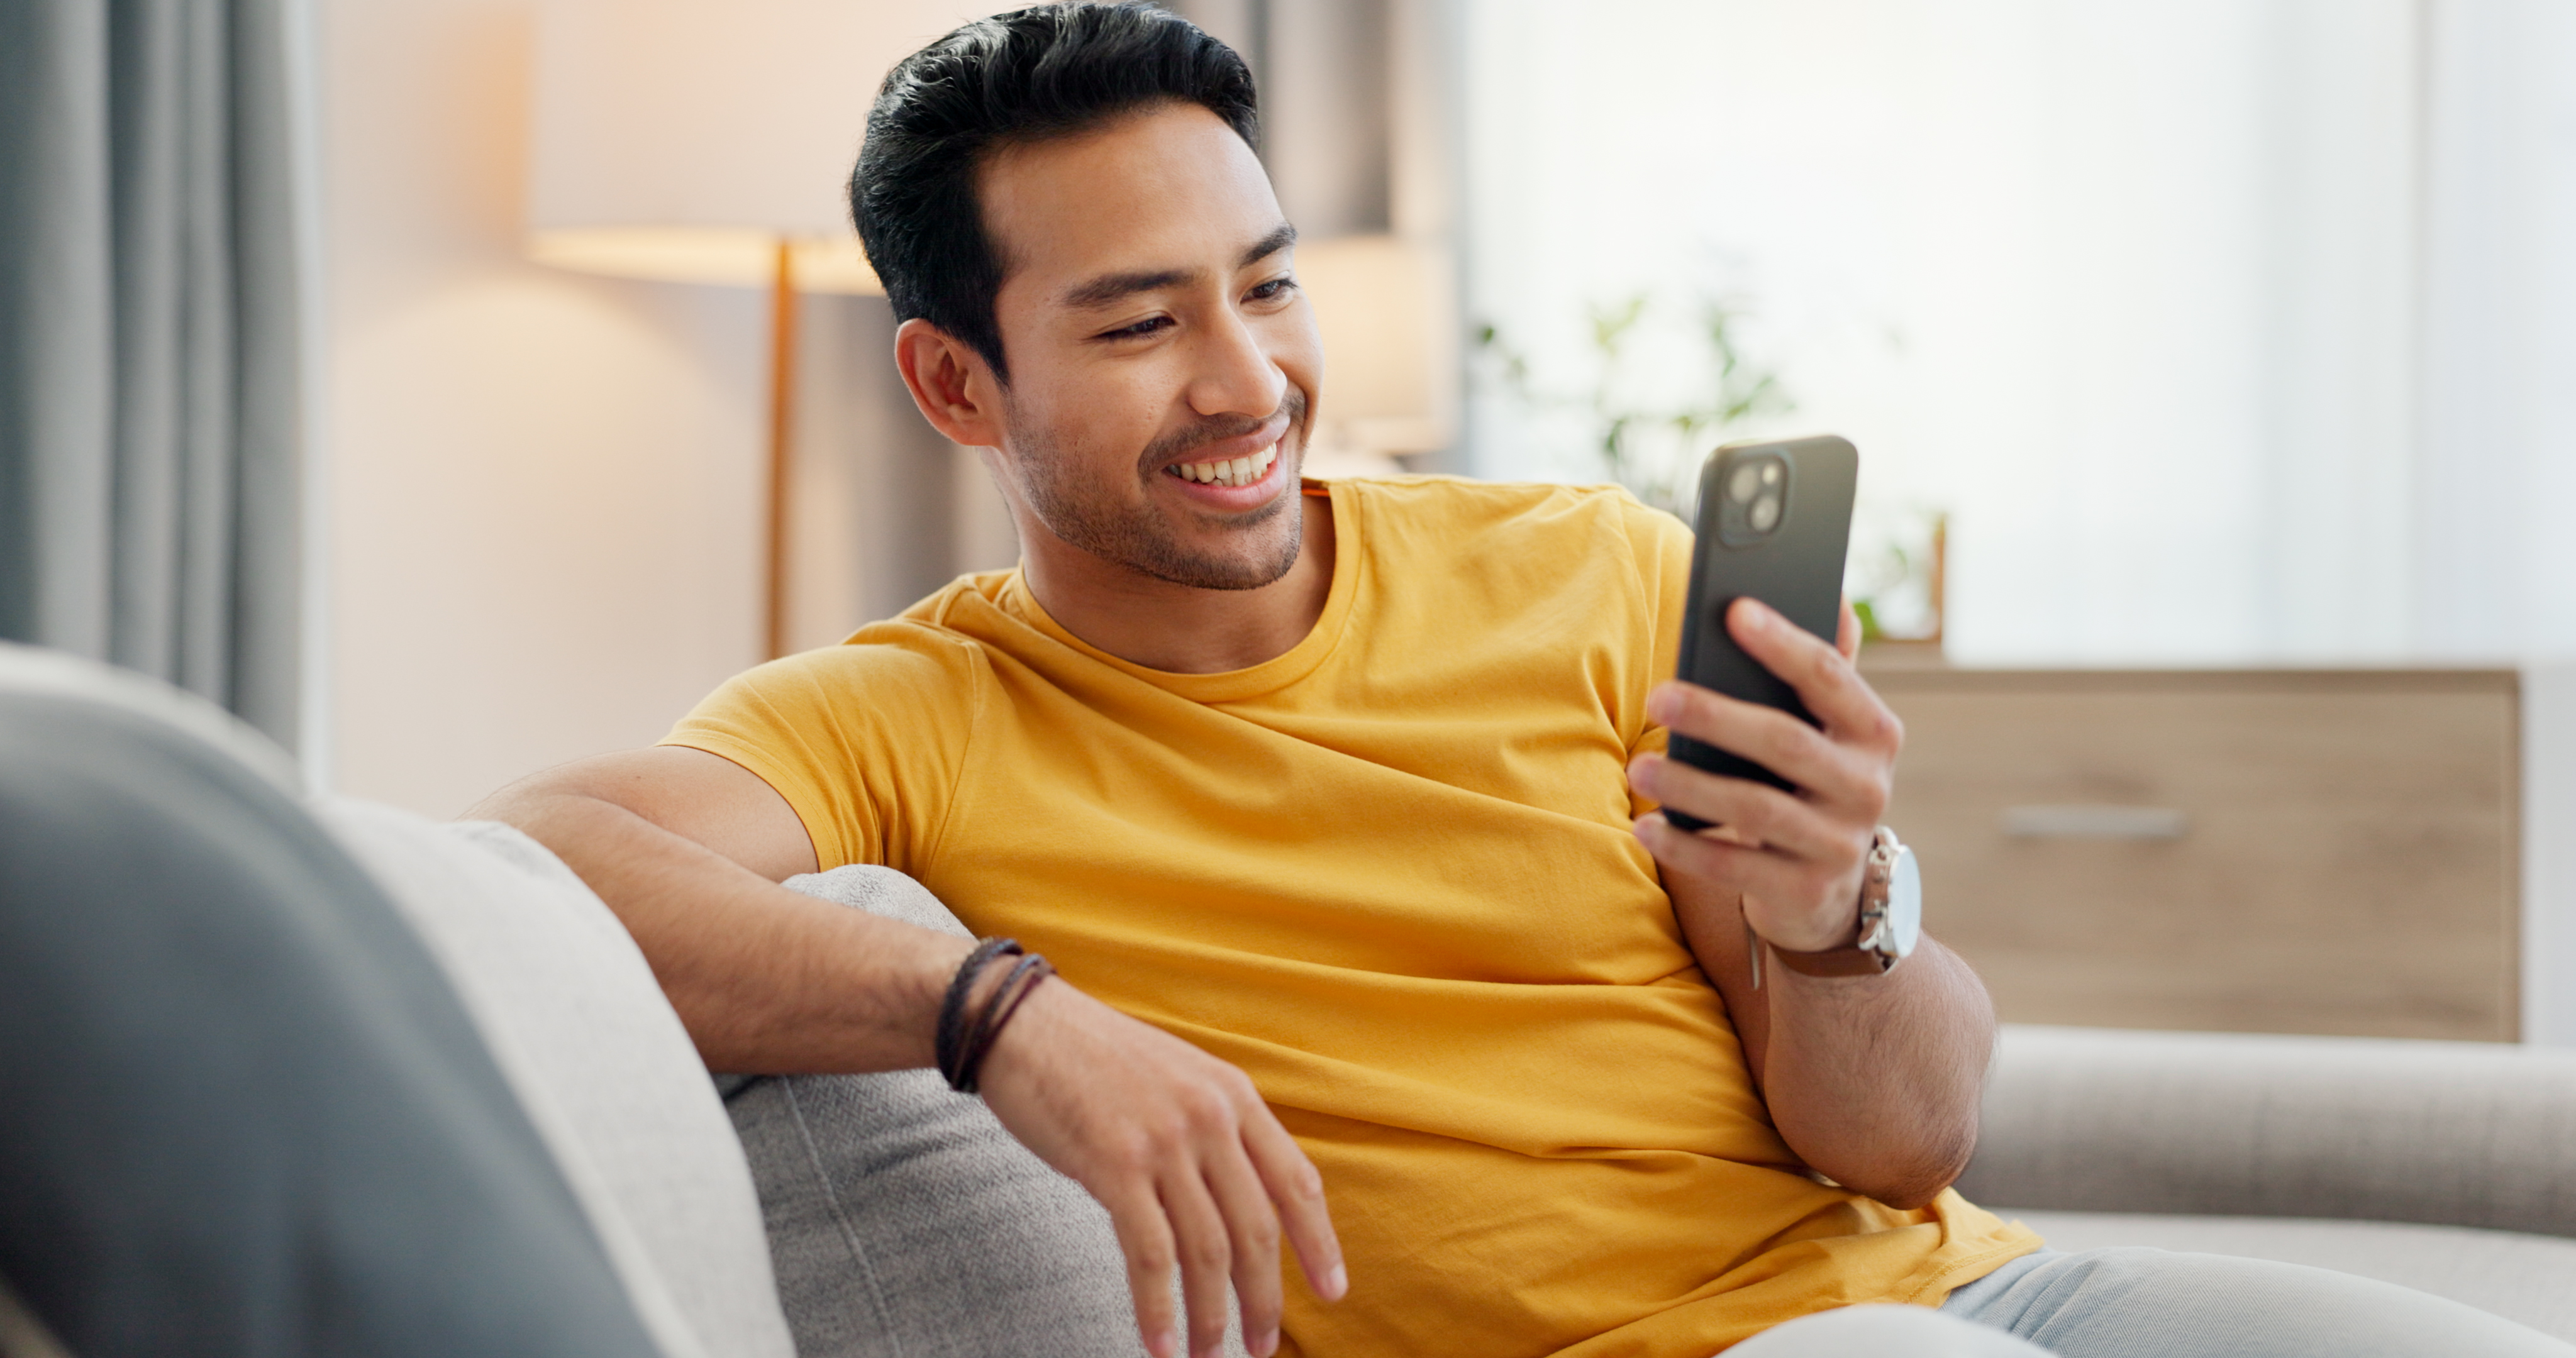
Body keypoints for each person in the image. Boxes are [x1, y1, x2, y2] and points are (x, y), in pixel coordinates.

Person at [471, 7, 2573, 1357]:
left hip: (1983, 1284)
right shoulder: (907, 716)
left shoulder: (1585, 569)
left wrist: (1844, 908)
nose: (1248, 380)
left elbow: (1905, 1144)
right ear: (954, 377)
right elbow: (529, 863)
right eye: (1136, 325)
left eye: (1268, 283)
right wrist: (995, 1012)